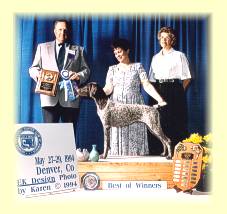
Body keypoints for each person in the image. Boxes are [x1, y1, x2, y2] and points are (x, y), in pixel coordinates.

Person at [103, 38, 166, 156]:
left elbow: (146, 85)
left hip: (135, 106)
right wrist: (97, 93)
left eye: (120, 52)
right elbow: (108, 88)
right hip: (117, 107)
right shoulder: (112, 69)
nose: (117, 55)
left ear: (127, 50)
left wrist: (160, 99)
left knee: (135, 136)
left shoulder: (138, 67)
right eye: (115, 53)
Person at [29, 19, 90, 136]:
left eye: (65, 30)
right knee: (49, 135)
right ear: (54, 31)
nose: (63, 32)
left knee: (69, 136)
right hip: (49, 98)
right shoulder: (42, 47)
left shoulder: (78, 50)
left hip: (70, 100)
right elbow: (33, 68)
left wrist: (78, 76)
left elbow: (86, 70)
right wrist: (41, 76)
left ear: (69, 32)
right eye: (60, 29)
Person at [148, 26, 191, 154]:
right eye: (162, 38)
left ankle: (177, 152)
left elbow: (187, 78)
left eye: (167, 38)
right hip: (158, 90)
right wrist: (156, 96)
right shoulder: (155, 57)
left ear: (172, 40)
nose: (164, 40)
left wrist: (178, 93)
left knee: (176, 121)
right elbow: (151, 79)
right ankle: (159, 151)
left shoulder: (179, 55)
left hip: (174, 90)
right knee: (158, 122)